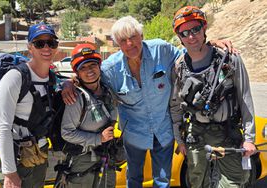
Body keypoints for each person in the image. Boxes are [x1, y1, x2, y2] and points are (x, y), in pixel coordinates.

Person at [62, 16, 234, 188]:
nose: (129, 44)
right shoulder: (110, 69)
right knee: (134, 179)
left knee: (162, 181)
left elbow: (190, 54)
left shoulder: (161, 50)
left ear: (142, 35)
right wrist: (70, 82)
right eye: (123, 40)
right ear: (117, 44)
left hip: (163, 130)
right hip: (133, 134)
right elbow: (89, 74)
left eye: (133, 37)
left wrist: (209, 43)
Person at [170, 6, 256, 188]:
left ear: (204, 29)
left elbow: (245, 98)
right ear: (179, 38)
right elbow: (176, 106)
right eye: (184, 33)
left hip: (227, 133)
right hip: (196, 135)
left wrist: (249, 138)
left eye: (195, 29)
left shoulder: (230, 59)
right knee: (197, 182)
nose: (191, 36)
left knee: (233, 182)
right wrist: (179, 140)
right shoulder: (179, 67)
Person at [0, 22, 59, 188]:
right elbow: (2, 126)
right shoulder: (15, 78)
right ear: (30, 47)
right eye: (39, 43)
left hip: (38, 157)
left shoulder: (51, 78)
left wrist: (67, 85)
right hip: (16, 160)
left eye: (51, 43)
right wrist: (9, 173)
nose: (46, 48)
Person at [60, 43, 118, 188]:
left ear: (99, 66)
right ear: (77, 73)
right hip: (83, 163)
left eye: (92, 65)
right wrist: (98, 138)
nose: (89, 70)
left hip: (106, 156)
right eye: (83, 68)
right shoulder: (75, 98)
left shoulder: (107, 89)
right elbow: (66, 132)